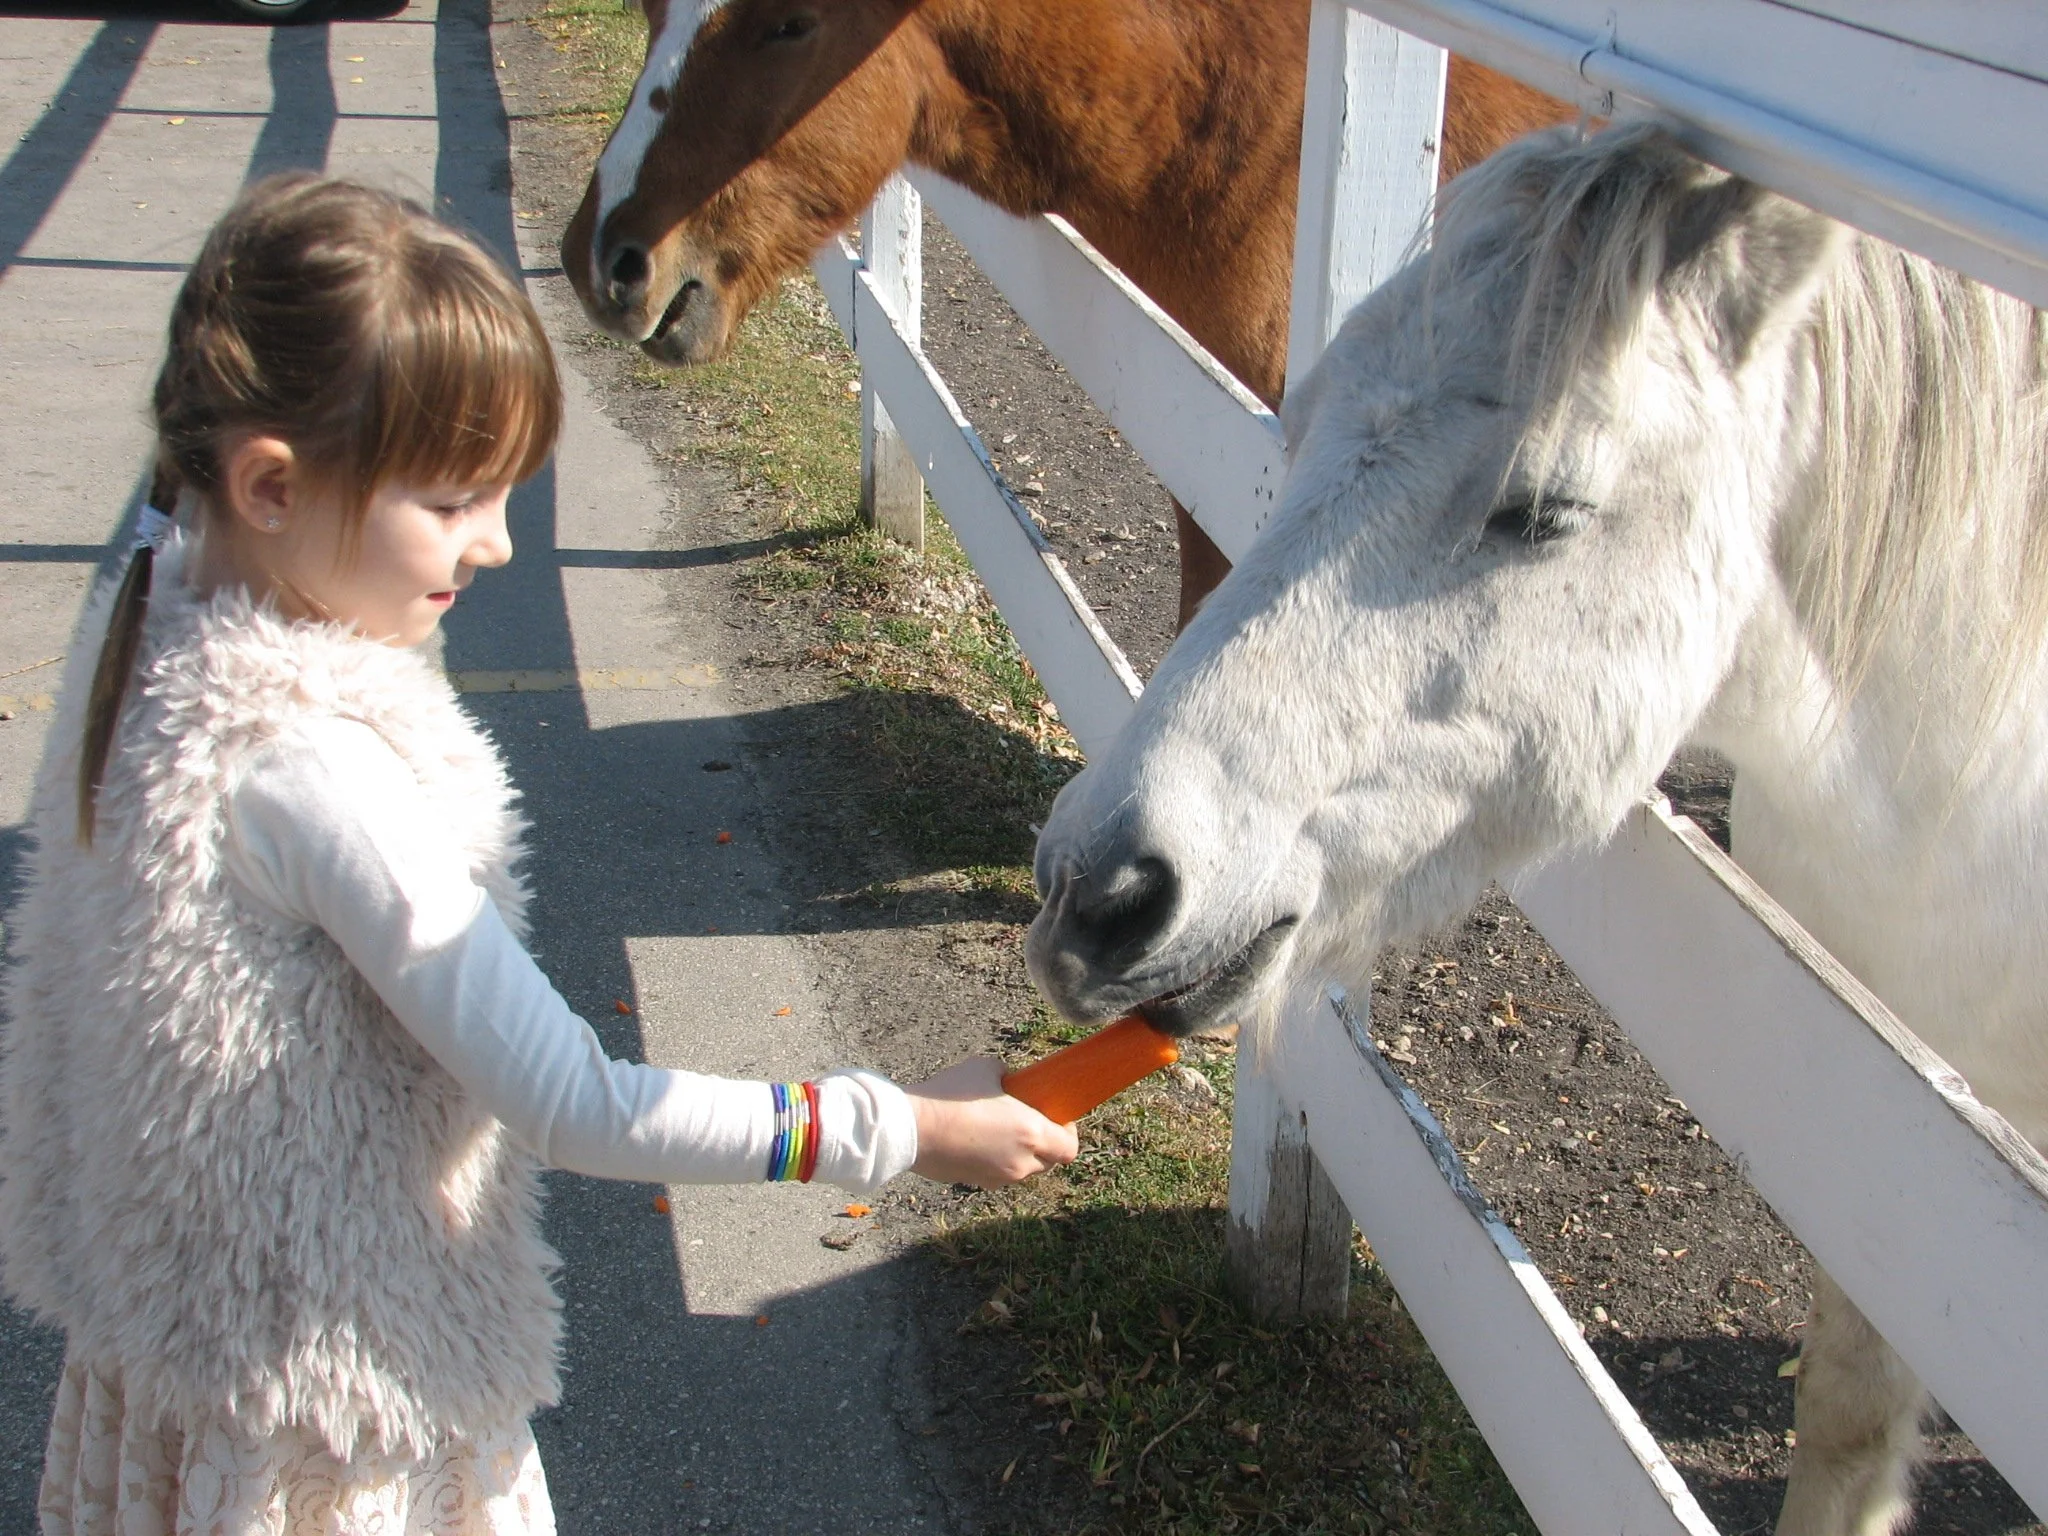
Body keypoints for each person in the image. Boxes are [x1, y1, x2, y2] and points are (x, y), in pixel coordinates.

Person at [0, 173, 1078, 1536]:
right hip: (333, 1432)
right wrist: (907, 1126)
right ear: (269, 482)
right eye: (452, 502)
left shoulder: (151, 606)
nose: (497, 543)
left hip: (173, 1372)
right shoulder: (309, 772)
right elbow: (577, 1103)